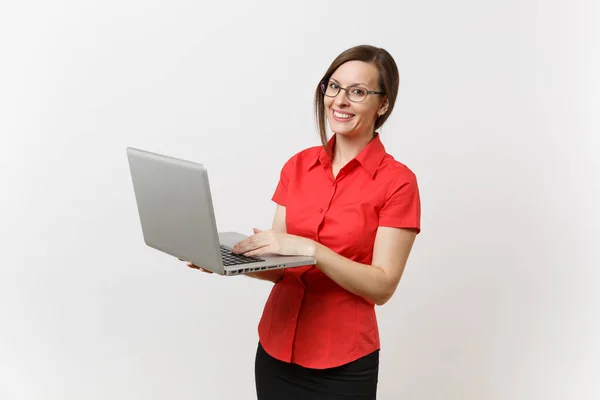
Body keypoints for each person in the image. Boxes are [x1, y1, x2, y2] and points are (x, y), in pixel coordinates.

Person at [184, 44, 421, 399]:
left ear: (383, 104)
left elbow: (382, 286)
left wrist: (312, 250)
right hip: (276, 350)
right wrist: (225, 261)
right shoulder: (298, 166)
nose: (339, 100)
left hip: (342, 364)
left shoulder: (398, 182)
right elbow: (283, 267)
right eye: (334, 86)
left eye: (357, 92)